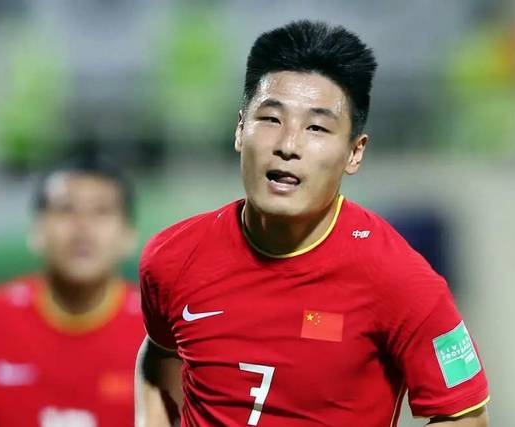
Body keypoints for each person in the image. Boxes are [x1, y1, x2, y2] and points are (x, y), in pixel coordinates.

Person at [135, 20, 489, 427]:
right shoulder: (172, 257)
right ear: (240, 129)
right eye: (271, 119)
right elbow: (159, 355)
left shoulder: (400, 279)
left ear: (355, 153)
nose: (288, 145)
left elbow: (464, 418)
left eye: (317, 127)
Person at [0, 153, 145, 427]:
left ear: (128, 235)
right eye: (66, 209)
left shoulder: (162, 333)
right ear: (37, 231)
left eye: (101, 212)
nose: (83, 227)